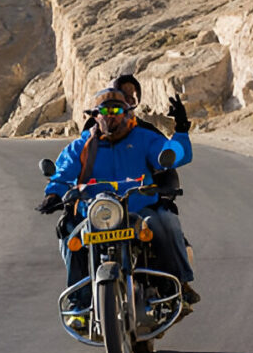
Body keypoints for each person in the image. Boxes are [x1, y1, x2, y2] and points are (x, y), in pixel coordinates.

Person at [36, 87, 199, 313]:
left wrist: (181, 130)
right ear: (95, 115)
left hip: (139, 208)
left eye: (117, 109)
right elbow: (63, 172)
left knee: (167, 223)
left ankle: (176, 287)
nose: (111, 115)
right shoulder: (82, 145)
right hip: (96, 213)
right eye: (105, 110)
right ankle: (80, 303)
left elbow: (171, 155)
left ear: (127, 112)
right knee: (71, 234)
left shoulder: (144, 138)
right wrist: (53, 193)